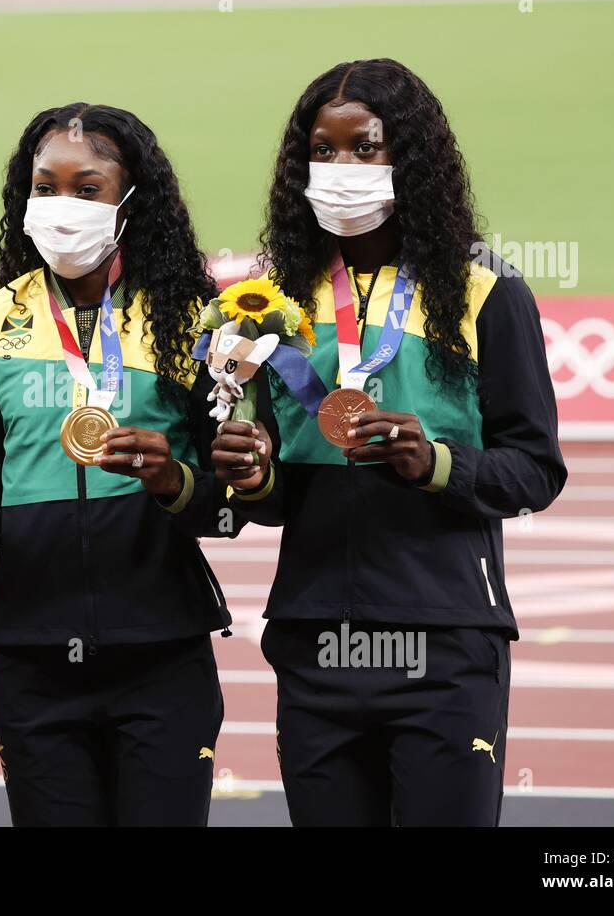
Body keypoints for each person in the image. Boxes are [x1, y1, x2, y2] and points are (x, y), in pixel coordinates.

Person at [213, 60, 567, 826]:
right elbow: (271, 502)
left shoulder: (486, 291)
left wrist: (433, 462)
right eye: (324, 151)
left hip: (445, 642)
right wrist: (254, 475)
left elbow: (535, 468)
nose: (342, 170)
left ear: (410, 156)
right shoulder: (270, 302)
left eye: (365, 148)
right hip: (313, 637)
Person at [0, 103, 233, 826]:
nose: (61, 206)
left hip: (161, 647)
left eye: (88, 188)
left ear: (131, 201)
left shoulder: (192, 320)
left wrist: (175, 480)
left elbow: (232, 506)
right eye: (45, 187)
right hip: (33, 654)